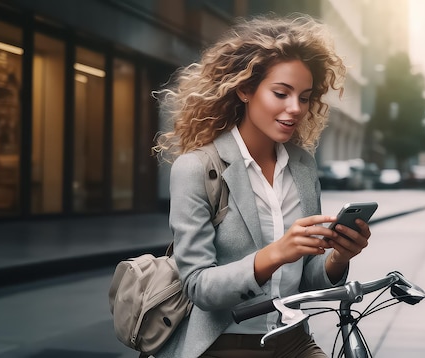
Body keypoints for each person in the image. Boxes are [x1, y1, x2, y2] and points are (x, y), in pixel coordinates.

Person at [151, 14, 372, 358]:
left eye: (304, 97)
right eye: (281, 93)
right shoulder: (196, 169)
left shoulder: (301, 165)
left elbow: (308, 278)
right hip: (226, 343)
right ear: (245, 89)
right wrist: (273, 255)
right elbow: (198, 287)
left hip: (294, 340)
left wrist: (338, 256)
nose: (295, 108)